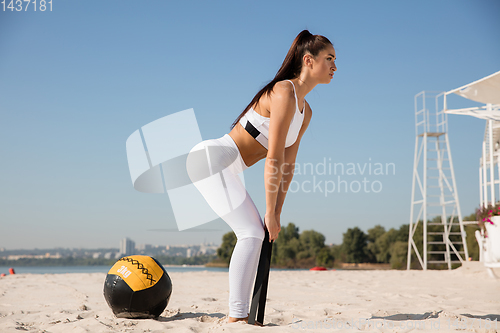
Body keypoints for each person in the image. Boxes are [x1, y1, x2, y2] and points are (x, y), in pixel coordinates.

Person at [185, 30, 336, 325]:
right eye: (329, 58)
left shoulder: (306, 112)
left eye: (335, 60)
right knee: (252, 231)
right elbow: (274, 158)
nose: (334, 66)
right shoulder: (283, 92)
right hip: (210, 160)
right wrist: (268, 211)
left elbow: (288, 167)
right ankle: (238, 317)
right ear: (308, 60)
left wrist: (277, 213)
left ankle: (241, 315)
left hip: (228, 169)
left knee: (257, 230)